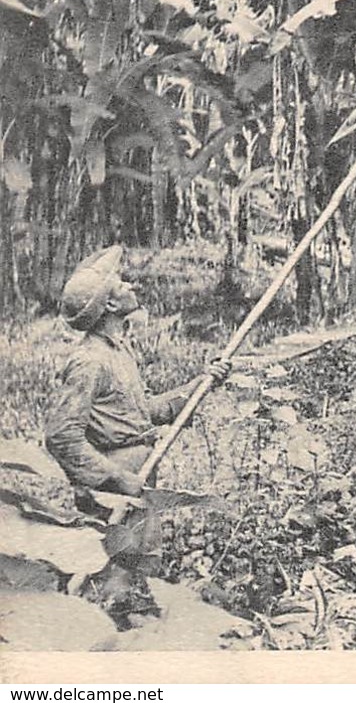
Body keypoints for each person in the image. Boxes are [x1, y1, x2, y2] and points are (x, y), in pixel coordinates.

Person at [44, 245, 229, 618]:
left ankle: (133, 633)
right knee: (111, 578)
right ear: (109, 306)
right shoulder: (89, 361)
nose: (129, 283)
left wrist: (199, 385)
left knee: (140, 566)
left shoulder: (117, 352)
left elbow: (142, 412)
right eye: (120, 283)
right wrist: (115, 479)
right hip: (114, 485)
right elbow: (61, 435)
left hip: (137, 475)